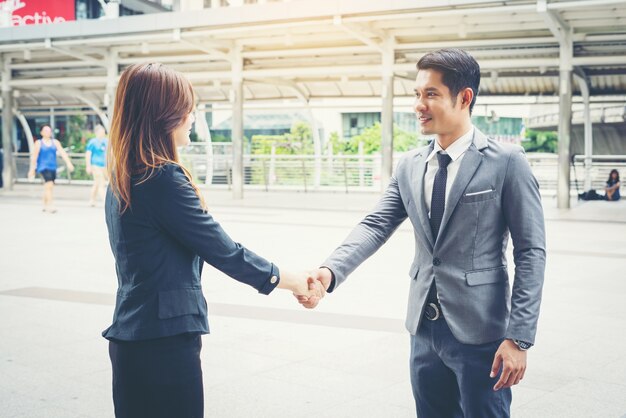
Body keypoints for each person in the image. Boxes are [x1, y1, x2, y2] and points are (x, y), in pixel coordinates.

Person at [300, 49, 546, 417]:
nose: (419, 105)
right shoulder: (412, 164)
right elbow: (376, 224)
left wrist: (519, 338)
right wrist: (331, 271)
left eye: (431, 94)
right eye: (417, 94)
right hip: (423, 330)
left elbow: (531, 251)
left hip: (482, 334)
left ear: (464, 98)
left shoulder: (507, 162)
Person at [103, 62, 322, 418]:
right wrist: (294, 279)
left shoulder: (124, 175)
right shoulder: (162, 178)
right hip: (163, 344)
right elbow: (224, 251)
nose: (192, 116)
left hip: (134, 337)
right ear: (163, 114)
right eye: (186, 108)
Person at [27, 125, 75, 213]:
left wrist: (69, 163)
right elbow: (34, 157)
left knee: (49, 187)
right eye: (45, 131)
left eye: (49, 131)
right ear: (41, 132)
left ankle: (44, 204)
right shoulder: (38, 143)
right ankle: (50, 205)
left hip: (53, 167)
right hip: (43, 167)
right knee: (49, 185)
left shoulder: (55, 142)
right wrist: (32, 169)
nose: (47, 132)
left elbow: (62, 152)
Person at [85, 124, 109, 206]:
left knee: (97, 183)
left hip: (105, 166)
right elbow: (88, 154)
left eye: (103, 131)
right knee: (101, 183)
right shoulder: (92, 142)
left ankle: (92, 200)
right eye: (101, 131)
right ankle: (105, 202)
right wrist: (88, 166)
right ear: (97, 132)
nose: (103, 132)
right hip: (95, 165)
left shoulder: (106, 141)